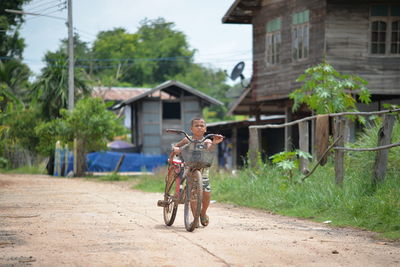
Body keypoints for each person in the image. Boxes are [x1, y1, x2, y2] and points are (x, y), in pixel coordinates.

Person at [171, 117, 223, 227]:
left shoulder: (207, 141)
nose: (199, 128)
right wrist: (175, 149)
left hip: (203, 169)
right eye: (196, 126)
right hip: (189, 168)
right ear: (191, 128)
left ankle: (203, 213)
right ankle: (195, 218)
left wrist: (214, 142)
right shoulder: (187, 140)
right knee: (193, 194)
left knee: (207, 193)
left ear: (205, 129)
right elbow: (176, 146)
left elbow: (210, 149)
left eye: (202, 126)